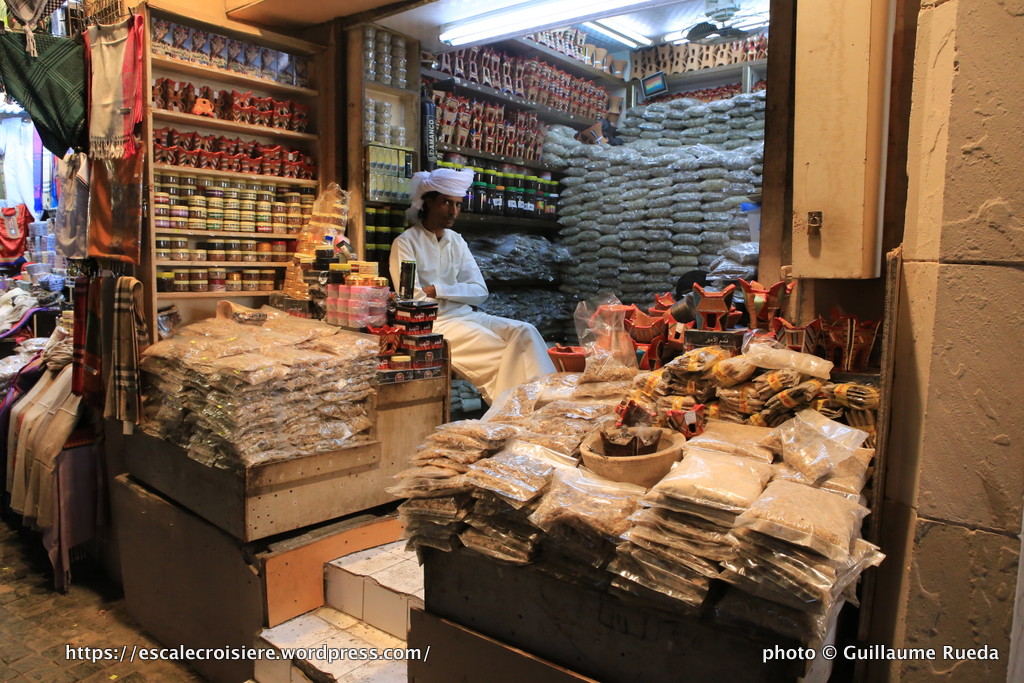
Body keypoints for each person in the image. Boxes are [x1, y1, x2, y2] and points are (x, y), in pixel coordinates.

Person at [389, 168, 556, 404]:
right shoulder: (405, 243)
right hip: (435, 323)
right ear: (427, 202)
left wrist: (440, 290)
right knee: (500, 352)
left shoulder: (456, 240)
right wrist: (456, 293)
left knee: (525, 330)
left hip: (466, 314)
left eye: (457, 204)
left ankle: (549, 401)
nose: (453, 211)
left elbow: (479, 291)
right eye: (446, 202)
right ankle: (510, 411)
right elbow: (414, 300)